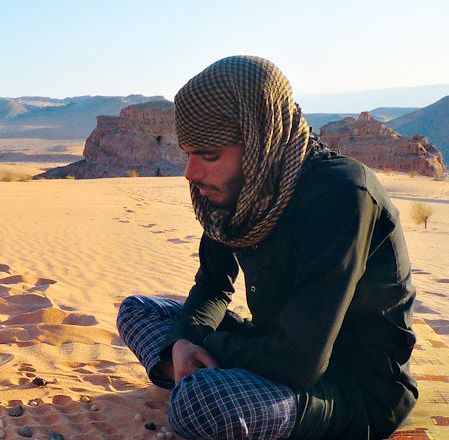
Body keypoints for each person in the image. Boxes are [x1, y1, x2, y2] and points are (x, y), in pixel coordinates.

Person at [116, 56, 417, 439]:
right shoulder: (238, 189)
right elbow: (213, 286)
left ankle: (200, 380)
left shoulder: (340, 195)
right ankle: (201, 374)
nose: (191, 173)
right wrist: (183, 342)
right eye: (187, 154)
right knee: (139, 311)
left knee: (201, 402)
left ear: (261, 142)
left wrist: (202, 344)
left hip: (347, 387)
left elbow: (301, 362)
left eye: (209, 156)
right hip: (271, 348)